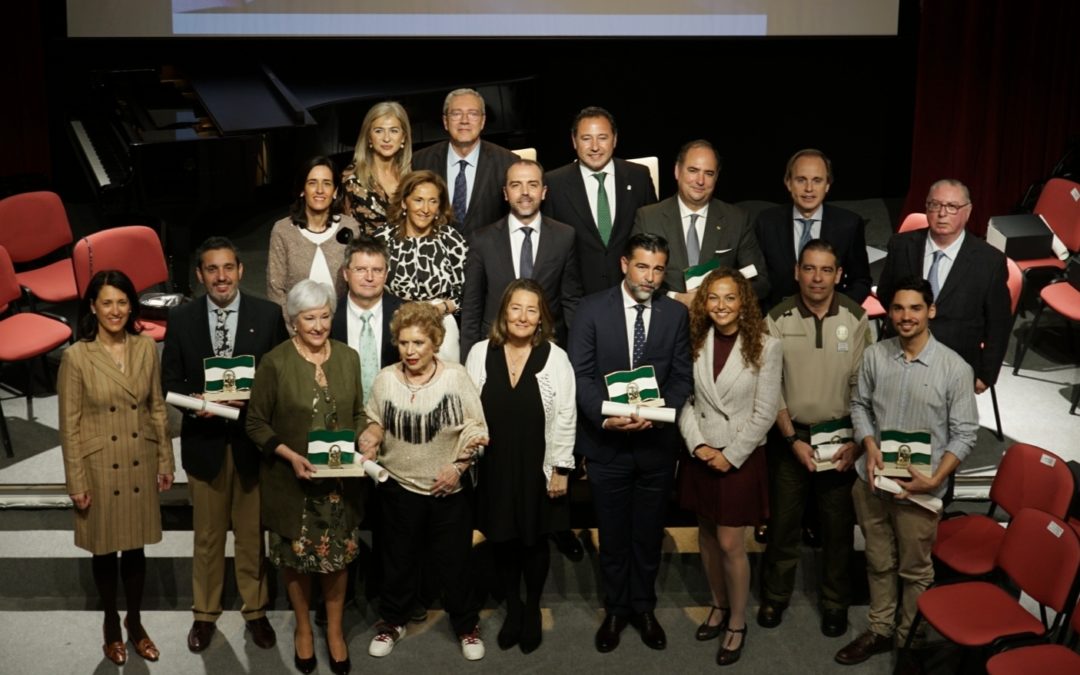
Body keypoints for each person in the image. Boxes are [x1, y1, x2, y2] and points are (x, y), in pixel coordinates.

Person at [834, 277, 977, 666]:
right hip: (873, 481)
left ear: (930, 311)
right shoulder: (875, 356)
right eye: (898, 308)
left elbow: (965, 434)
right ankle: (880, 630)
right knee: (878, 560)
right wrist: (868, 443)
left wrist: (935, 479)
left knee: (915, 570)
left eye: (915, 308)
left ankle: (909, 640)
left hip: (921, 488)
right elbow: (859, 405)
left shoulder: (955, 369)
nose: (906, 316)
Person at [161, 237, 287, 653]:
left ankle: (256, 611)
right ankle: (205, 614)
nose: (221, 277)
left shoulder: (268, 316)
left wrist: (248, 400)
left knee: (252, 535)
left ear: (240, 270)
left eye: (228, 268)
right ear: (199, 275)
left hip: (251, 443)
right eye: (212, 270)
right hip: (205, 442)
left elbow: (278, 380)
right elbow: (172, 382)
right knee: (208, 536)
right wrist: (199, 406)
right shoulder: (181, 321)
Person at [568, 233, 692, 653]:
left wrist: (657, 416)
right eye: (643, 266)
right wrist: (608, 415)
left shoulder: (675, 315)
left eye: (658, 269)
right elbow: (579, 377)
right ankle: (616, 609)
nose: (650, 277)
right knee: (614, 534)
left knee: (648, 533)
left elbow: (680, 379)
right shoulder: (591, 310)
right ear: (624, 264)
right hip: (606, 446)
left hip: (655, 445)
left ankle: (644, 607)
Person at [246, 280, 366, 675]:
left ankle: (333, 632)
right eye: (309, 318)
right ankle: (301, 628)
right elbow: (256, 423)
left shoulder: (348, 358)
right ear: (293, 321)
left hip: (339, 486)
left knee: (337, 562)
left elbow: (359, 413)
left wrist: (370, 434)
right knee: (296, 561)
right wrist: (289, 454)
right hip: (292, 483)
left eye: (325, 316)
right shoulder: (275, 362)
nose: (318, 325)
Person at [58, 269, 175, 666]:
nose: (115, 310)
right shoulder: (76, 356)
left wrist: (165, 458)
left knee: (137, 547)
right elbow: (69, 425)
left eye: (122, 302)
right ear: (92, 306)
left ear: (132, 305)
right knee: (105, 550)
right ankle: (111, 623)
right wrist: (75, 480)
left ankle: (136, 623)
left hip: (138, 457)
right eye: (106, 302)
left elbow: (156, 407)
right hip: (99, 467)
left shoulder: (145, 347)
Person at [361, 302, 489, 661]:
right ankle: (392, 622)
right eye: (404, 343)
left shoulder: (455, 377)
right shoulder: (386, 379)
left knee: (455, 564)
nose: (411, 351)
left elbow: (477, 429)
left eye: (418, 343)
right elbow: (375, 419)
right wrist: (370, 435)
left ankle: (466, 626)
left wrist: (458, 467)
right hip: (398, 487)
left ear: (435, 342)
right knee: (397, 561)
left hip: (448, 489)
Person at [758, 240, 871, 638]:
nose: (817, 278)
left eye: (826, 270)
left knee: (837, 530)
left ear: (839, 274)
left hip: (842, 440)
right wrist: (792, 440)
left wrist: (857, 442)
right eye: (809, 269)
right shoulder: (776, 317)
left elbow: (863, 386)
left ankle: (835, 602)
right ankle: (774, 595)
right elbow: (771, 388)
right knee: (784, 525)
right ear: (796, 272)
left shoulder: (857, 319)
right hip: (793, 440)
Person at [676, 268, 782, 666]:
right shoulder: (693, 341)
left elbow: (765, 412)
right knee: (704, 536)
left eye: (730, 298)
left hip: (739, 456)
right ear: (704, 302)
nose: (721, 306)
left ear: (744, 303)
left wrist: (730, 454)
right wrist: (698, 443)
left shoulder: (766, 347)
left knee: (730, 543)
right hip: (701, 452)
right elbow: (683, 399)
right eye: (713, 298)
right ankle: (718, 606)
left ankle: (737, 621)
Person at [465, 279, 576, 654]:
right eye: (516, 308)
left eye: (532, 309)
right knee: (502, 541)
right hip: (494, 466)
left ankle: (531, 610)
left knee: (534, 541)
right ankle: (513, 606)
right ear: (504, 312)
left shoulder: (555, 357)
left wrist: (561, 468)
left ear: (541, 317)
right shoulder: (480, 353)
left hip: (538, 467)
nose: (523, 317)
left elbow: (565, 414)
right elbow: (468, 412)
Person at [876, 179, 1011, 395]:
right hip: (900, 350)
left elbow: (999, 324)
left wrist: (986, 374)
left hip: (956, 362)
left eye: (952, 207)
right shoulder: (901, 245)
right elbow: (886, 294)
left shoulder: (989, 262)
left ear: (967, 212)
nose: (941, 213)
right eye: (934, 205)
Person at [461, 158, 583, 357]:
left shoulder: (564, 236)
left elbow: (571, 301)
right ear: (505, 193)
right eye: (516, 185)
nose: (525, 192)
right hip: (493, 346)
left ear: (543, 192)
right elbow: (472, 308)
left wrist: (577, 356)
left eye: (532, 185)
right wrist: (468, 361)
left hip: (548, 346)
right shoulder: (482, 240)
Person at [632, 139, 769, 305]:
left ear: (716, 177)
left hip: (719, 324)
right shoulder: (648, 217)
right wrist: (676, 298)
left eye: (709, 173)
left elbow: (761, 283)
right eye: (693, 170)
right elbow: (635, 279)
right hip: (664, 320)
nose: (700, 181)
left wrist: (720, 298)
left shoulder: (736, 219)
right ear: (677, 171)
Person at [543, 106, 658, 295]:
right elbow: (550, 249)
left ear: (615, 139)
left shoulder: (639, 176)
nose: (595, 147)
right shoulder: (554, 183)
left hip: (633, 293)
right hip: (580, 300)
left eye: (602, 138)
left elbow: (652, 236)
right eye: (586, 138)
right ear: (574, 141)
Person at [754, 149, 873, 309]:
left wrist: (838, 312)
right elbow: (757, 281)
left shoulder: (849, 224)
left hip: (831, 317)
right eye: (801, 180)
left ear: (827, 185)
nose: (809, 188)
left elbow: (860, 280)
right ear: (788, 183)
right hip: (777, 318)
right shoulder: (765, 222)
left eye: (817, 180)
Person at [374, 169, 468, 362]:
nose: (425, 209)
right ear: (403, 202)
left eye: (432, 201)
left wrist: (439, 309)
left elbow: (468, 293)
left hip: (440, 326)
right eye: (418, 200)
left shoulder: (451, 239)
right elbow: (371, 285)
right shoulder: (383, 239)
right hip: (394, 325)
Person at [267, 156, 362, 323]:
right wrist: (293, 330)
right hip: (295, 329)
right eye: (312, 183)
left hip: (342, 327)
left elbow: (357, 283)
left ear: (335, 192)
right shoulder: (283, 230)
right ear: (302, 190)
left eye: (326, 183)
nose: (320, 190)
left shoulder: (349, 227)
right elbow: (275, 290)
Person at [411, 88, 519, 236]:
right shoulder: (420, 161)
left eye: (473, 114)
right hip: (435, 254)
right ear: (445, 121)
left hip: (489, 256)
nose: (464, 121)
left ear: (483, 121)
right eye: (456, 114)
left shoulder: (508, 162)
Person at [330, 236, 405, 399]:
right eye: (361, 269)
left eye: (377, 270)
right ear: (345, 273)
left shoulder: (406, 314)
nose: (369, 277)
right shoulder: (329, 316)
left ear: (386, 275)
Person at [342, 101, 412, 234]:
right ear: (369, 137)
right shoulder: (351, 179)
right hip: (367, 252)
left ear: (403, 137)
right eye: (379, 131)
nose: (386, 138)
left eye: (394, 131)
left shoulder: (412, 176)